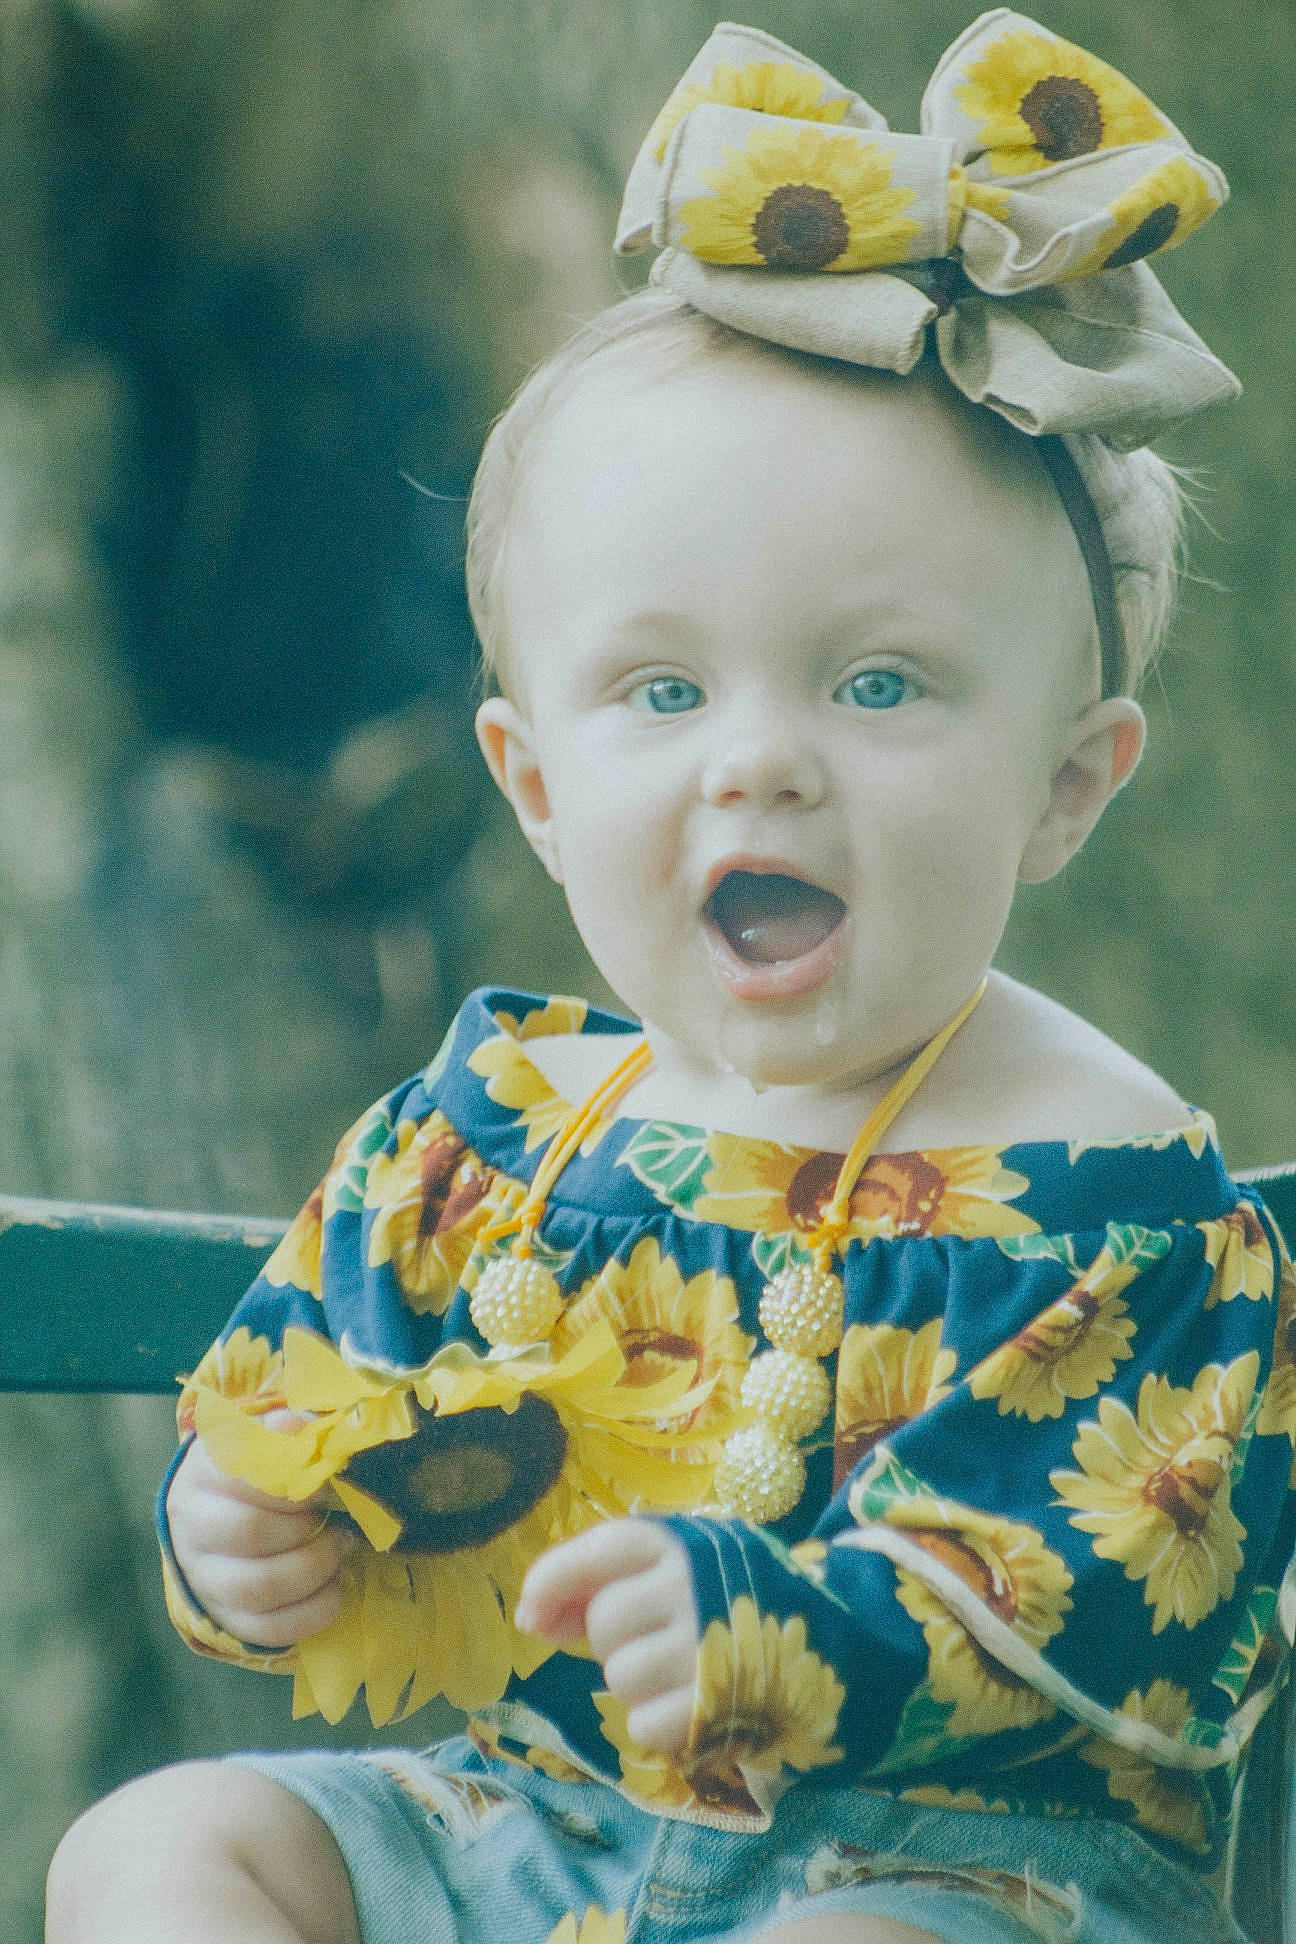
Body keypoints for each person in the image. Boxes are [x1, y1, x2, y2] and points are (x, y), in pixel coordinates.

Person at [46, 12, 1294, 1944]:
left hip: (949, 1876)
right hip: (518, 1828)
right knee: (157, 1848)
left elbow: (1117, 1613)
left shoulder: (1121, 1196)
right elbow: (297, 1416)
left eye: (876, 684)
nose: (759, 758)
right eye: (660, 690)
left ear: (1064, 785)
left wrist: (775, 1628)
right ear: (536, 789)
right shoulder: (492, 1140)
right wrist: (240, 1535)